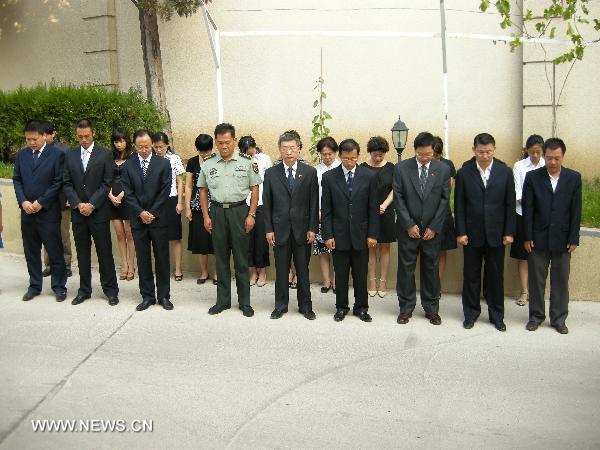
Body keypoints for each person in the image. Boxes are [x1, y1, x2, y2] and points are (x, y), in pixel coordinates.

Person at [198, 123, 261, 317]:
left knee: (242, 260)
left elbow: (255, 188)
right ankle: (223, 301)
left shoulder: (247, 162)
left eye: (227, 142)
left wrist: (251, 215)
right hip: (217, 213)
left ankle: (245, 303)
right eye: (220, 143)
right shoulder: (208, 164)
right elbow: (202, 190)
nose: (224, 146)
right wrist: (206, 216)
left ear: (234, 141)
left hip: (239, 212)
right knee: (221, 259)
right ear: (215, 143)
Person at [454, 133, 516, 331]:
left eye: (489, 151)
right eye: (481, 152)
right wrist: (461, 231)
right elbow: (460, 205)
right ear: (474, 150)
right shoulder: (464, 173)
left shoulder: (504, 172)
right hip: (471, 234)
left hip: (497, 234)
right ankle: (470, 314)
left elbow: (509, 204)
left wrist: (509, 232)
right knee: (471, 276)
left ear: (494, 149)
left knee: (496, 277)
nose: (485, 155)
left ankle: (497, 315)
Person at [523, 138, 581, 334]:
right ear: (544, 156)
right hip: (537, 238)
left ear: (563, 156)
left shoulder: (574, 178)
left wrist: (574, 238)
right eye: (549, 158)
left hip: (563, 239)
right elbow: (528, 209)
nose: (553, 162)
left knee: (560, 281)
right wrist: (527, 236)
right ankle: (536, 317)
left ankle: (558, 319)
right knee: (536, 280)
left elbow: (576, 210)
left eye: (557, 158)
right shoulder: (532, 177)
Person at [393, 132, 451, 325]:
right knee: (406, 270)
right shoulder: (402, 168)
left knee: (431, 270)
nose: (424, 158)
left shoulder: (442, 169)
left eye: (428, 154)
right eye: (420, 154)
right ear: (415, 151)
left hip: (431, 231)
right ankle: (406, 308)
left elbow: (444, 200)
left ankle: (431, 309)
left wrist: (434, 227)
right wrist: (408, 224)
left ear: (433, 152)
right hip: (408, 230)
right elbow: (398, 197)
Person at [262, 131, 319, 320]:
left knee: (303, 270)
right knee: (281, 270)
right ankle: (280, 305)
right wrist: (269, 229)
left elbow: (313, 203)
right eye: (284, 148)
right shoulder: (271, 173)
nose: (288, 152)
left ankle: (306, 306)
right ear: (279, 149)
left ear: (299, 149)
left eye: (292, 148)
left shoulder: (309, 172)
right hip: (279, 230)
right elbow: (267, 203)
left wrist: (313, 228)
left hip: (303, 230)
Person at [321, 138, 379, 323]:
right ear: (340, 156)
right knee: (341, 274)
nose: (349, 162)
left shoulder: (369, 176)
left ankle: (361, 308)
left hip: (362, 235)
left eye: (353, 158)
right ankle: (341, 307)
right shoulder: (329, 177)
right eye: (346, 158)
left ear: (358, 156)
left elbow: (373, 209)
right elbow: (327, 210)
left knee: (361, 275)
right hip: (338, 236)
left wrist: (372, 234)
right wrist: (328, 235)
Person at [63, 119, 119, 306]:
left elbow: (107, 182)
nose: (84, 140)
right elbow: (67, 183)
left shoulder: (104, 154)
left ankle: (111, 290)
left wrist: (92, 204)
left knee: (104, 252)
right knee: (82, 253)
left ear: (93, 133)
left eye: (86, 136)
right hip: (79, 214)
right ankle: (84, 290)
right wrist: (78, 204)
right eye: (80, 137)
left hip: (99, 212)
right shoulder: (70, 154)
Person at [13, 120, 67, 302]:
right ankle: (34, 285)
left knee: (54, 250)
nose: (31, 142)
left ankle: (59, 286)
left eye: (34, 139)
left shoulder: (57, 155)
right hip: (27, 212)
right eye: (28, 139)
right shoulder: (22, 156)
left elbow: (57, 182)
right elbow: (17, 180)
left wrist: (41, 202)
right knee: (31, 251)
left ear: (44, 136)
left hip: (47, 212)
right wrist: (23, 202)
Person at [121, 129, 172, 311]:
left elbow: (165, 190)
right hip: (138, 219)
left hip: (158, 219)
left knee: (162, 258)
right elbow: (128, 192)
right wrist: (141, 212)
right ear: (135, 146)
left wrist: (152, 212)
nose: (144, 150)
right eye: (141, 147)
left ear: (152, 145)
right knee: (143, 259)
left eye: (147, 146)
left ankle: (164, 296)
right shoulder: (128, 165)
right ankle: (147, 296)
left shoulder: (163, 164)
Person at [511, 134, 545, 306]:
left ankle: (540, 292)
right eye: (532, 153)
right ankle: (524, 291)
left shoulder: (548, 165)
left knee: (541, 255)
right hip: (522, 214)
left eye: (539, 152)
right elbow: (517, 192)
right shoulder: (519, 166)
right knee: (524, 255)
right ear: (526, 151)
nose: (536, 156)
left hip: (544, 217)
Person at [360, 136, 396, 298]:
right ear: (370, 152)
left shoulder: (391, 168)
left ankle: (383, 281)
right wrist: (372, 207)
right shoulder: (362, 168)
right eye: (375, 154)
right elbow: (360, 190)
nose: (378, 157)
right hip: (368, 213)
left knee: (385, 247)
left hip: (386, 211)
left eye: (381, 154)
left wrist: (385, 205)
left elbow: (395, 189)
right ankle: (372, 281)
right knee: (371, 247)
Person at [40, 120, 73, 278]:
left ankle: (66, 264)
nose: (44, 137)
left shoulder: (64, 150)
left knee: (63, 234)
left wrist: (69, 197)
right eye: (42, 134)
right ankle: (49, 264)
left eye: (47, 134)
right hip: (45, 201)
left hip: (62, 199)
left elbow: (70, 175)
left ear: (53, 134)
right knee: (47, 233)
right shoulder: (37, 151)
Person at [239, 135, 272, 287]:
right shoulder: (238, 160)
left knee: (261, 240)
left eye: (250, 152)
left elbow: (271, 180)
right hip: (244, 203)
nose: (249, 155)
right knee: (247, 240)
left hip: (261, 204)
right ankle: (252, 271)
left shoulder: (264, 159)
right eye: (245, 152)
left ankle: (262, 272)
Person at [152, 132, 185, 281]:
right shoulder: (150, 159)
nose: (159, 150)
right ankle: (162, 268)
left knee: (175, 237)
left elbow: (180, 181)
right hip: (154, 201)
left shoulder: (174, 159)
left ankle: (178, 269)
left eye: (161, 147)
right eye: (156, 147)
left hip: (171, 200)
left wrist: (179, 202)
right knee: (159, 237)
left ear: (167, 145)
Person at [185, 133, 216, 285]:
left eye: (206, 151)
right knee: (201, 242)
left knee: (217, 241)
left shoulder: (217, 160)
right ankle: (204, 272)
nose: (204, 154)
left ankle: (217, 273)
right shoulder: (192, 162)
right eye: (201, 151)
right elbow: (189, 185)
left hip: (216, 205)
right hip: (197, 206)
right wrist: (187, 207)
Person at [313, 137, 340, 294]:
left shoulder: (342, 168)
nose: (327, 157)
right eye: (324, 154)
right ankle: (326, 281)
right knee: (323, 249)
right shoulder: (315, 171)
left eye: (330, 154)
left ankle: (337, 282)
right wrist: (316, 211)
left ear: (335, 153)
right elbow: (313, 194)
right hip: (321, 214)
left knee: (337, 250)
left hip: (339, 216)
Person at [108, 128, 136, 281]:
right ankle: (124, 265)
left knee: (130, 234)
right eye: (116, 141)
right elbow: (105, 179)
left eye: (121, 141)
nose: (119, 144)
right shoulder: (109, 157)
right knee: (119, 234)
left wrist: (122, 194)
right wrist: (111, 195)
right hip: (112, 200)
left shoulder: (133, 157)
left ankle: (132, 266)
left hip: (128, 199)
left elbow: (134, 180)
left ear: (127, 140)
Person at [432, 136, 457, 288]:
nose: (433, 159)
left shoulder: (447, 165)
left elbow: (447, 190)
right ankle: (428, 284)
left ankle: (437, 285)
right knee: (426, 252)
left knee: (442, 251)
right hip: (424, 215)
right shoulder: (420, 164)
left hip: (442, 212)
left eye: (436, 156)